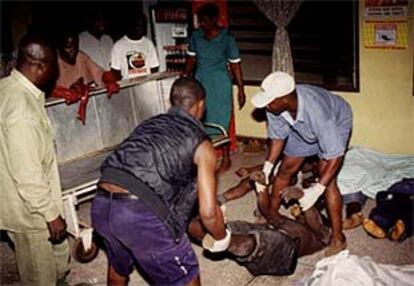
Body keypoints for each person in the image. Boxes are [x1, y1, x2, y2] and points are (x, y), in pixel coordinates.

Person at [91, 77, 232, 286]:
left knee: (118, 268)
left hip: (101, 206)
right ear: (201, 105)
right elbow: (209, 213)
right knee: (187, 278)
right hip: (138, 214)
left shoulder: (150, 123)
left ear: (171, 101)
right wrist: (222, 237)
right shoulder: (202, 144)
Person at [251, 71, 353, 257]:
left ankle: (339, 238)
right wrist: (267, 168)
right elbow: (277, 138)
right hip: (302, 125)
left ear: (284, 98)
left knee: (328, 180)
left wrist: (317, 190)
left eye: (269, 101)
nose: (266, 104)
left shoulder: (316, 111)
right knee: (285, 169)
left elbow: (335, 156)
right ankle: (272, 216)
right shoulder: (275, 107)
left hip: (335, 121)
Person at [0, 31, 70, 285]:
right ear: (40, 66)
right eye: (54, 65)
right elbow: (27, 174)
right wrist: (51, 214)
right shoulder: (22, 112)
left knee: (59, 262)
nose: (56, 72)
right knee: (40, 277)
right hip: (29, 212)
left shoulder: (8, 88)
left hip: (24, 202)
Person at [184, 3, 246, 173]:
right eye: (200, 21)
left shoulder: (227, 38)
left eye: (205, 21)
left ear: (215, 20)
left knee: (222, 118)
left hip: (220, 83)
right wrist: (184, 76)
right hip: (201, 80)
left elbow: (235, 64)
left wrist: (241, 88)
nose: (201, 24)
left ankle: (226, 158)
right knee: (200, 119)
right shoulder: (196, 36)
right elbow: (191, 59)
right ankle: (203, 156)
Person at [110, 13, 159, 80]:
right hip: (128, 86)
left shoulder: (148, 43)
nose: (142, 28)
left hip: (147, 85)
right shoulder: (118, 46)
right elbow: (115, 72)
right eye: (138, 25)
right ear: (130, 25)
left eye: (143, 25)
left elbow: (154, 67)